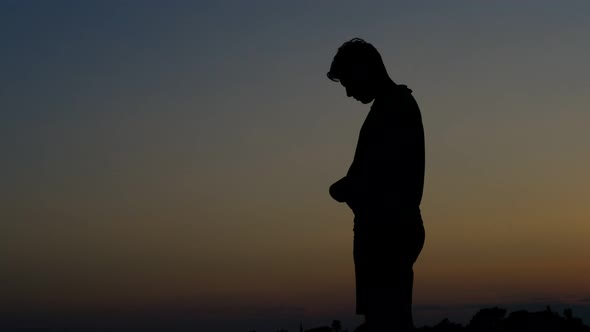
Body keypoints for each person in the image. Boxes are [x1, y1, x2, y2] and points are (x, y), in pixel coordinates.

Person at [327, 38, 426, 331]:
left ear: (363, 70)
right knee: (384, 319)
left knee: (388, 321)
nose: (347, 93)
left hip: (388, 231)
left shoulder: (394, 106)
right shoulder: (391, 106)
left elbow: (387, 176)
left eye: (347, 82)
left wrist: (347, 188)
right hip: (386, 230)